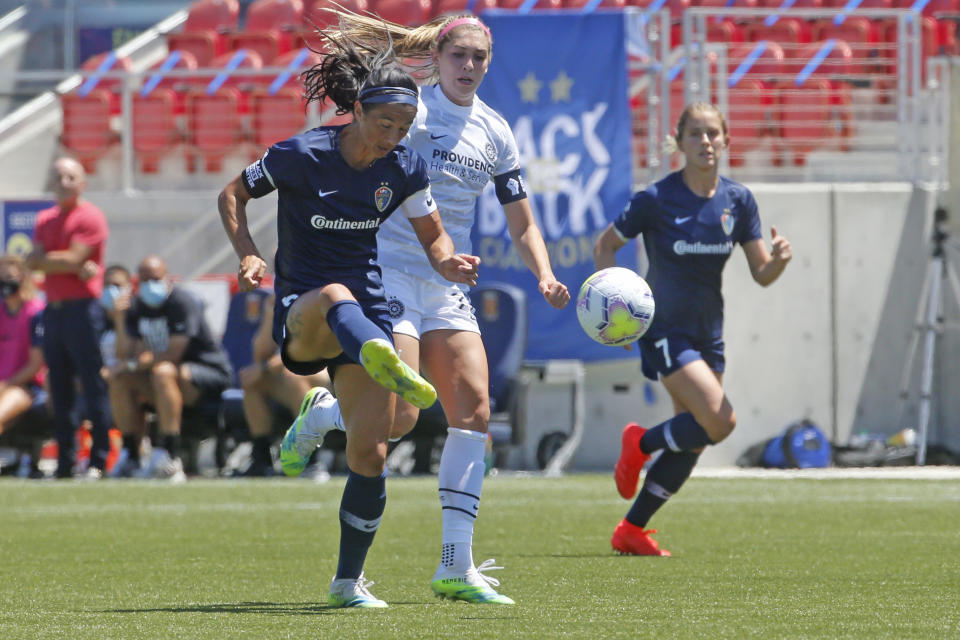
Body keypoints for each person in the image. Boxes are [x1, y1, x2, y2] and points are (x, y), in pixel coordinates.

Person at [281, 11, 570, 605]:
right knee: (397, 422)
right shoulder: (406, 108)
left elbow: (522, 218)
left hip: (444, 281)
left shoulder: (495, 131)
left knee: (475, 408)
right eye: (458, 55)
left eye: (479, 58)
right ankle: (324, 414)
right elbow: (357, 148)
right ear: (437, 57)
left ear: (490, 64)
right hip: (384, 274)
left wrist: (544, 273)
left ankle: (455, 565)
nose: (468, 67)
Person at [217, 34, 478, 608]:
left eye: (404, 126)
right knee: (335, 292)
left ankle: (345, 583)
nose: (394, 136)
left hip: (368, 312)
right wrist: (248, 252)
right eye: (385, 123)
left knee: (382, 442)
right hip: (306, 315)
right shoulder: (300, 155)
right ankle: (367, 362)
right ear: (356, 110)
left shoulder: (405, 165)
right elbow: (231, 195)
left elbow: (433, 239)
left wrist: (448, 261)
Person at [593, 102, 793, 556]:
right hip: (664, 328)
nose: (706, 142)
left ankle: (632, 530)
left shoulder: (738, 201)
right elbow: (605, 245)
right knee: (720, 421)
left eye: (713, 134)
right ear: (679, 143)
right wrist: (613, 304)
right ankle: (638, 443)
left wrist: (779, 260)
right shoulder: (657, 199)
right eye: (696, 134)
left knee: (697, 436)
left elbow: (761, 273)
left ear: (726, 140)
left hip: (709, 333)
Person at [107, 254, 233, 481]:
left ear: (167, 278)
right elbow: (125, 352)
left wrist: (134, 363)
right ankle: (130, 455)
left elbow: (174, 353)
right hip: (165, 379)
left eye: (154, 279)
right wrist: (119, 319)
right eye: (143, 280)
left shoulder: (182, 302)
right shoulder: (137, 306)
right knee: (120, 379)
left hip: (206, 372)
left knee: (162, 371)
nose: (149, 286)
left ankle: (170, 455)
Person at [26, 156, 111, 479]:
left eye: (70, 177)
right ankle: (64, 461)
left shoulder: (90, 217)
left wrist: (59, 262)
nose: (64, 182)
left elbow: (70, 258)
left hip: (83, 309)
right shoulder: (45, 218)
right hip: (56, 309)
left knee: (92, 385)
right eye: (59, 176)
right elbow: (33, 263)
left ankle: (99, 460)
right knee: (58, 386)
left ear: (82, 183)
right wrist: (66, 264)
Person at [236, 291, 334, 477]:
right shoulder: (279, 298)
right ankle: (261, 458)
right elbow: (261, 351)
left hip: (327, 369)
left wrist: (265, 367)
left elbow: (309, 348)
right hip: (288, 368)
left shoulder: (322, 294)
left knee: (293, 376)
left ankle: (311, 460)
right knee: (252, 382)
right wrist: (271, 310)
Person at [0, 254, 47, 469]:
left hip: (25, 387)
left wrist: (6, 384)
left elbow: (35, 365)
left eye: (9, 277)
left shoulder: (35, 312)